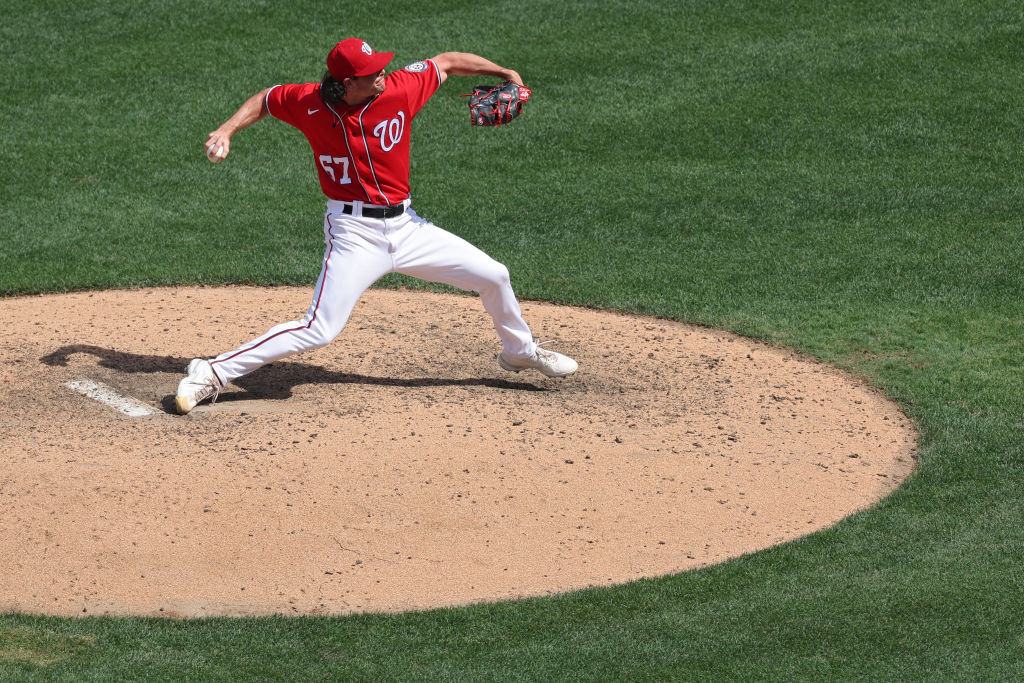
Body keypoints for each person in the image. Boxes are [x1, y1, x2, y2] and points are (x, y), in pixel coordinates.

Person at [175, 38, 578, 415]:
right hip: (353, 235)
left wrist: (505, 73)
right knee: (319, 330)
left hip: (408, 228)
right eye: (373, 72)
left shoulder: (400, 88)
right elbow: (267, 98)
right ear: (348, 83)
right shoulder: (309, 102)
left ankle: (520, 352)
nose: (383, 74)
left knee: (494, 275)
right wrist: (228, 128)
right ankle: (212, 372)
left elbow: (449, 62)